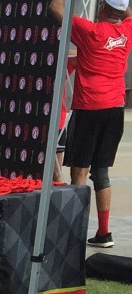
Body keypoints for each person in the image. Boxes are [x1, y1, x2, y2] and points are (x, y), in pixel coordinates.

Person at [48, 0, 132, 248]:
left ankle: (75, 233)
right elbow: (127, 12)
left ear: (103, 7)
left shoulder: (90, 31)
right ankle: (104, 233)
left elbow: (55, 9)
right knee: (102, 171)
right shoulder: (127, 30)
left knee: (80, 171)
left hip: (90, 106)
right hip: (115, 108)